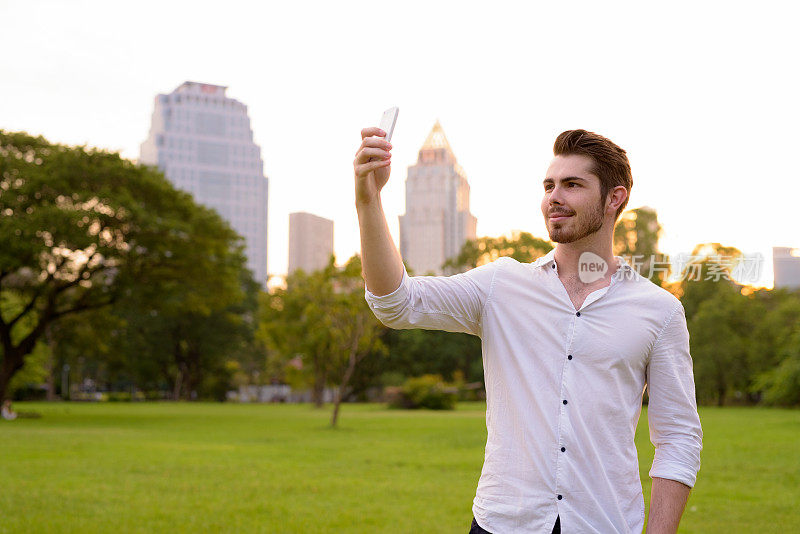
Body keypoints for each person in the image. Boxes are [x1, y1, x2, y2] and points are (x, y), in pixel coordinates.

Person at [353, 127, 703, 533]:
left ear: (614, 198)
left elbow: (678, 437)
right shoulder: (501, 285)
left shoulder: (659, 311)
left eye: (572, 185)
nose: (554, 197)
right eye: (549, 185)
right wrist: (368, 200)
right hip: (502, 524)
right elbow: (396, 302)